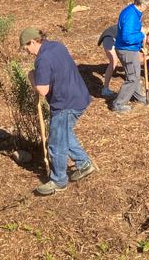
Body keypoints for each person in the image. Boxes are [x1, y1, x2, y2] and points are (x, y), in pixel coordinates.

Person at [21, 27, 96, 196]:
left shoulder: (43, 59)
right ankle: (84, 164)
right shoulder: (56, 46)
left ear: (33, 42)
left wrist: (31, 77)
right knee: (65, 135)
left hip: (65, 104)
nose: (27, 52)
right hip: (79, 97)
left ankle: (59, 180)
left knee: (56, 143)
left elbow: (42, 90)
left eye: (26, 48)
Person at [112, 0, 149, 113]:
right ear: (141, 4)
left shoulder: (134, 12)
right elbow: (127, 37)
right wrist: (141, 34)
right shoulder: (131, 15)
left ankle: (140, 98)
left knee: (134, 75)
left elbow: (132, 31)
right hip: (127, 50)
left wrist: (141, 39)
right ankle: (118, 104)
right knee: (132, 77)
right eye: (146, 6)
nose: (146, 8)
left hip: (131, 49)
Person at [97, 25, 120, 97]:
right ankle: (105, 89)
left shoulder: (140, 32)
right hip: (109, 37)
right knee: (114, 62)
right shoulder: (140, 34)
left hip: (116, 39)